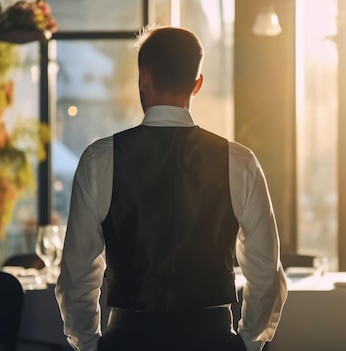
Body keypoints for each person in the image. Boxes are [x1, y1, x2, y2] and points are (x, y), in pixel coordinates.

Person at [55, 25, 287, 351]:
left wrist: (89, 344)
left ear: (142, 78)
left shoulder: (99, 159)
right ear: (198, 85)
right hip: (212, 338)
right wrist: (248, 343)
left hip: (128, 338)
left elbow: (77, 275)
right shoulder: (239, 161)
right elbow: (265, 273)